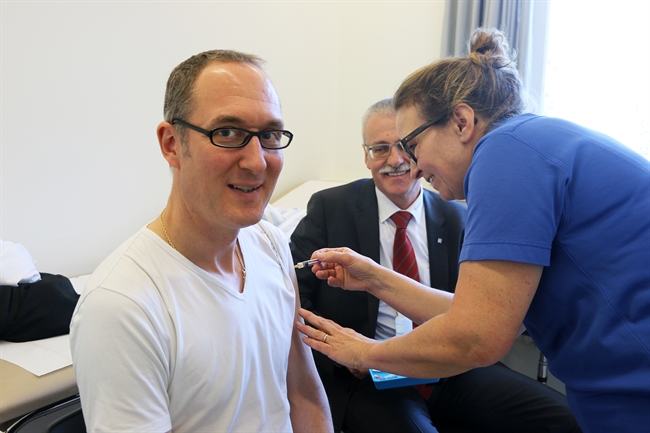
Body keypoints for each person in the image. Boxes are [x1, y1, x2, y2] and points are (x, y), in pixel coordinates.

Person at [296, 28, 650, 433]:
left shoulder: (504, 153)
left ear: (462, 122)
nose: (412, 167)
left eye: (412, 145)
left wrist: (364, 353)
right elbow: (487, 315)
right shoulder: (533, 142)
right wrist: (376, 279)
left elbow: (476, 336)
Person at [70, 50, 332, 433]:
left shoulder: (271, 244)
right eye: (227, 133)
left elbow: (303, 393)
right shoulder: (122, 305)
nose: (257, 161)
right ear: (171, 144)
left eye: (270, 135)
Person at [291, 98, 581, 433]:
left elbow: (476, 311)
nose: (395, 160)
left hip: (447, 368)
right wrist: (339, 353)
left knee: (569, 420)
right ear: (366, 155)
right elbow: (295, 299)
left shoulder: (459, 215)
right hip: (367, 375)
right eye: (380, 149)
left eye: (405, 147)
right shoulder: (330, 208)